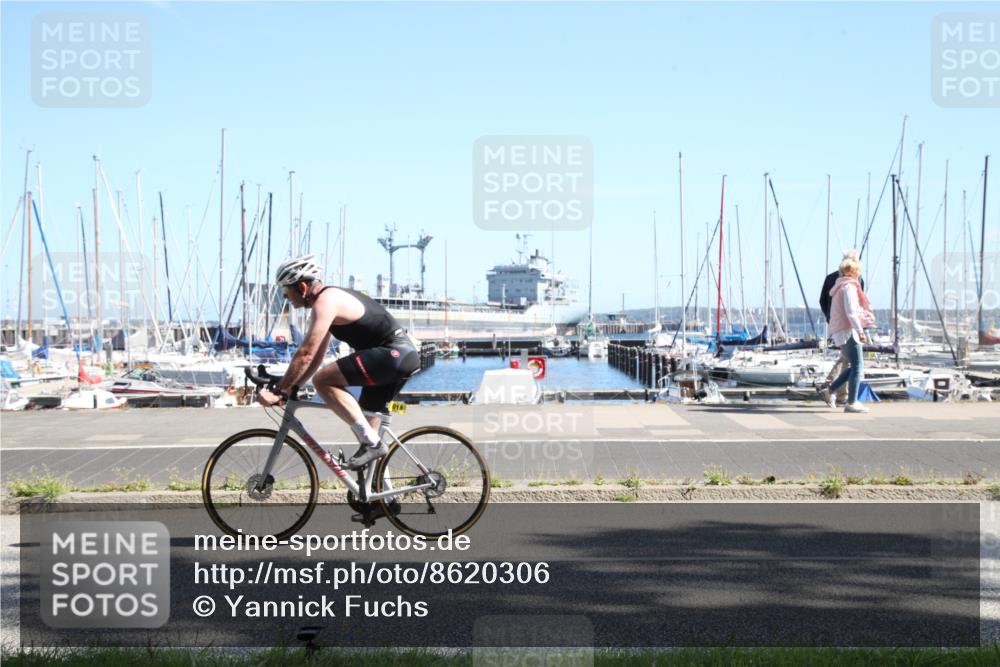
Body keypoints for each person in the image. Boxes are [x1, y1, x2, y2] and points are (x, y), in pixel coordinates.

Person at [256, 255, 420, 470]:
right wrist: (291, 386)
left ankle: (372, 444)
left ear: (302, 287)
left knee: (324, 381)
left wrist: (279, 391)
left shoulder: (326, 301)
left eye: (286, 291)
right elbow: (314, 358)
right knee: (364, 429)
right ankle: (383, 498)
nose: (286, 297)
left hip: (392, 355)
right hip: (395, 358)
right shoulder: (326, 303)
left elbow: (305, 353)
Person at [819, 257, 876, 413]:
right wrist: (860, 330)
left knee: (854, 366)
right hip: (849, 330)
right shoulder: (849, 287)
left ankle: (830, 390)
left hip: (841, 331)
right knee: (857, 366)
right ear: (852, 272)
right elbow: (851, 312)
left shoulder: (840, 286)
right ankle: (851, 402)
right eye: (858, 270)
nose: (859, 273)